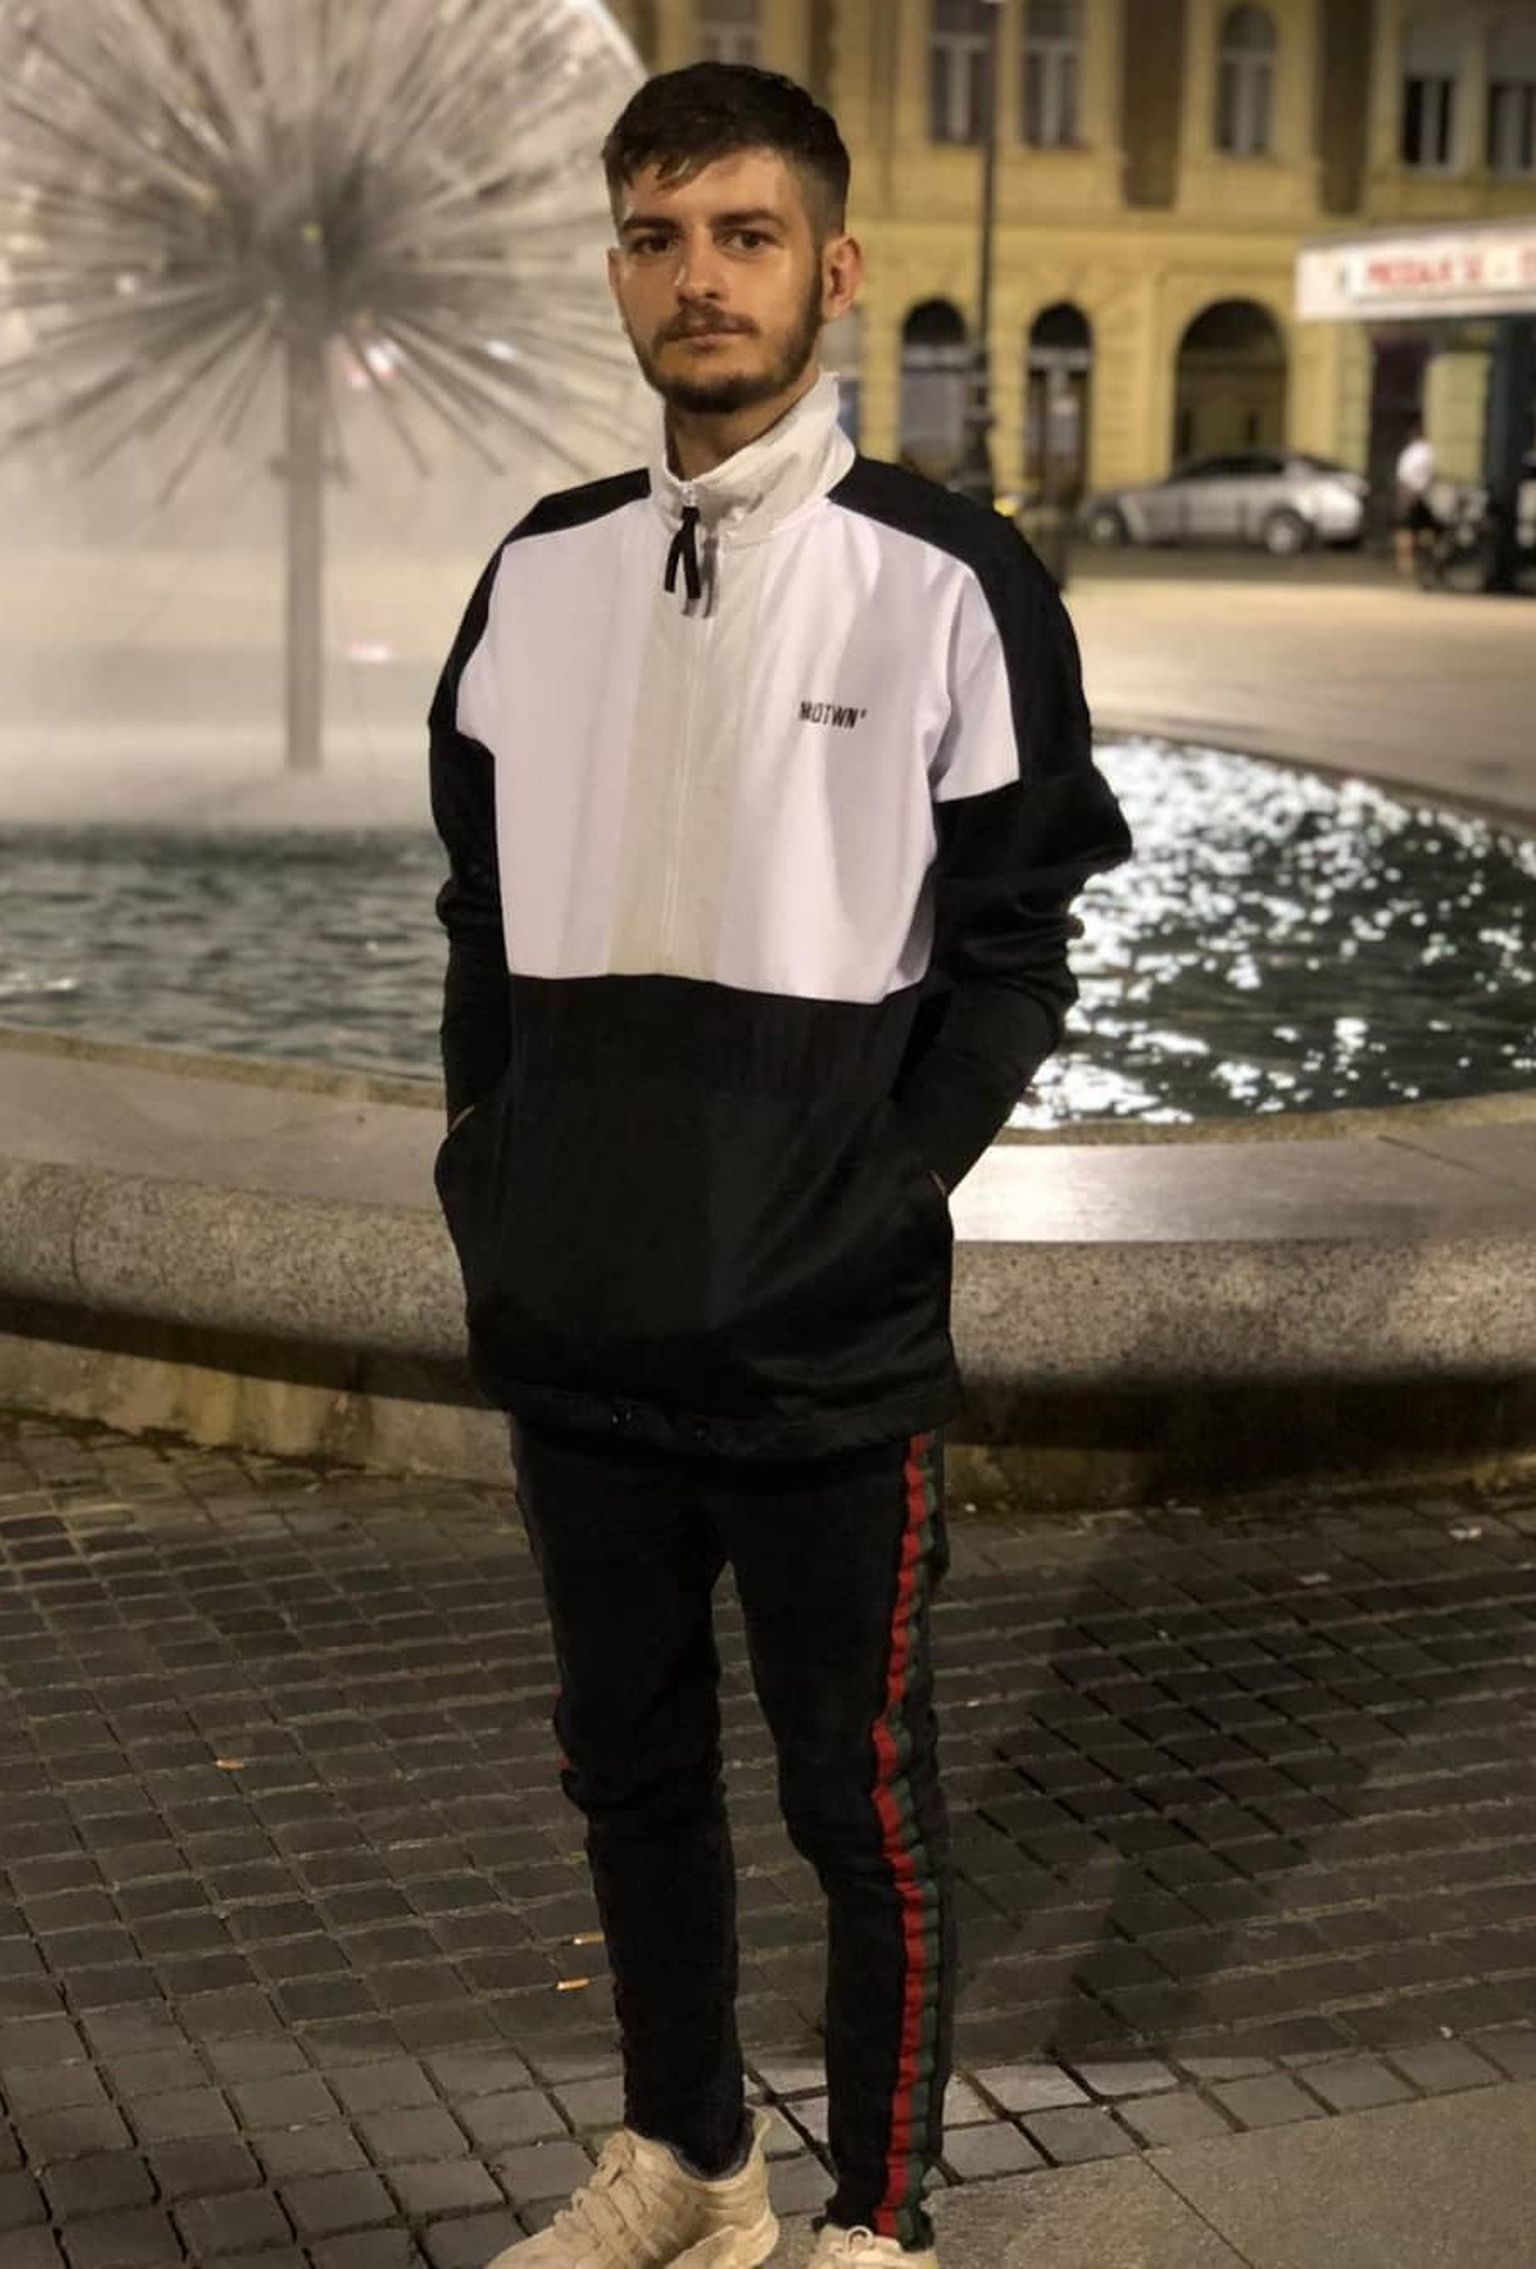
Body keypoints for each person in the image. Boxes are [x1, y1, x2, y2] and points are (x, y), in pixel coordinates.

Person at [429, 61, 1134, 2269]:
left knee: (859, 1802)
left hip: (826, 1337)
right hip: (579, 1323)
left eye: (743, 234)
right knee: (628, 1773)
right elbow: (478, 914)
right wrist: (493, 1172)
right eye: (656, 237)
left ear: (833, 270)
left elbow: (1017, 942)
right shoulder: (538, 571)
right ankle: (690, 2165)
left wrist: (880, 1189)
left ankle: (879, 2220)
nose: (698, 277)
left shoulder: (949, 577)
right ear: (616, 270)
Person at [1394, 426, 1437, 578]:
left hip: (1409, 492)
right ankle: (1421, 560)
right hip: (1417, 494)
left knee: (1407, 528)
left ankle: (1406, 562)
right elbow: (1428, 474)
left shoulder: (1409, 452)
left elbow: (1403, 475)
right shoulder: (1425, 451)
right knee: (1425, 528)